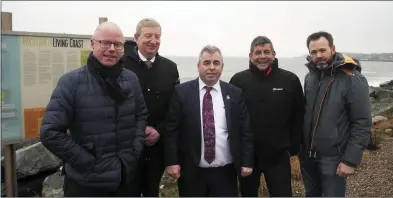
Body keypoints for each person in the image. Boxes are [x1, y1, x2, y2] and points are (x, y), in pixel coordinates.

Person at [39, 22, 149, 197]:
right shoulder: (71, 82)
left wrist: (134, 151)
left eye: (117, 44)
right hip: (86, 183)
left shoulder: (131, 79)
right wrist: (88, 162)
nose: (111, 49)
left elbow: (141, 115)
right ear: (93, 43)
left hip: (126, 179)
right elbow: (50, 132)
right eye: (105, 43)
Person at [163, 45, 254, 197]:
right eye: (206, 63)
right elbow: (171, 129)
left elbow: (245, 129)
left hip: (225, 172)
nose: (211, 68)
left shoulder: (235, 93)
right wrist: (172, 161)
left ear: (222, 66)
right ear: (198, 66)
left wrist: (247, 161)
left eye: (216, 63)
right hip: (191, 171)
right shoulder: (181, 92)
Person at [229, 36, 304, 197]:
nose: (262, 56)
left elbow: (298, 115)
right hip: (248, 157)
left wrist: (293, 148)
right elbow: (231, 117)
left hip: (278, 156)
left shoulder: (290, 80)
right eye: (258, 52)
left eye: (266, 52)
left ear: (274, 54)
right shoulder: (238, 80)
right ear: (250, 56)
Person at [300, 31, 372, 197]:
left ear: (333, 48)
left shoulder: (352, 78)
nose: (319, 55)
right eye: (313, 52)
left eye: (322, 50)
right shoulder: (310, 77)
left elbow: (362, 122)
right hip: (308, 156)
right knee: (311, 194)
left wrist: (350, 160)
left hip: (333, 157)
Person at [122, 18, 180, 197]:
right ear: (136, 37)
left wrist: (158, 130)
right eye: (148, 36)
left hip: (157, 145)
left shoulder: (170, 69)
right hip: (126, 144)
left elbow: (175, 107)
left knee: (151, 190)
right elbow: (114, 105)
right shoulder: (121, 65)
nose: (153, 41)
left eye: (157, 36)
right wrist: (139, 129)